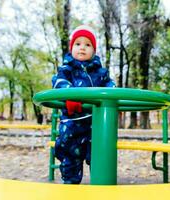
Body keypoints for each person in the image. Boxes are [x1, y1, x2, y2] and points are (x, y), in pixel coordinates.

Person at [52, 25, 115, 184]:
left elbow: (111, 86)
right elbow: (58, 83)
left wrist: (113, 98)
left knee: (99, 158)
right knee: (70, 159)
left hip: (96, 126)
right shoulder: (66, 70)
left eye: (88, 45)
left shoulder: (100, 73)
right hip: (72, 125)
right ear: (71, 48)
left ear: (93, 51)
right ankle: (70, 189)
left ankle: (101, 186)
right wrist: (70, 94)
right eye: (78, 44)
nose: (82, 48)